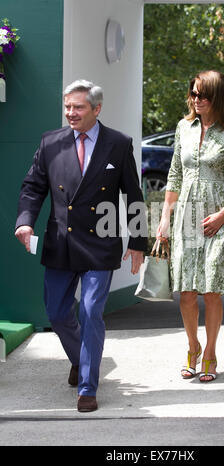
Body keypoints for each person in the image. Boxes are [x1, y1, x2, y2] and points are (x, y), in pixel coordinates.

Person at [15, 79, 147, 412]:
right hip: (60, 243)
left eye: (79, 107)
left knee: (90, 312)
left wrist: (138, 242)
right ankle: (79, 359)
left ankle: (88, 386)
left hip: (100, 244)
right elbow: (33, 186)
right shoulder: (51, 142)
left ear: (96, 109)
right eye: (68, 107)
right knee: (58, 314)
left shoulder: (118, 144)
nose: (71, 113)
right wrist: (25, 220)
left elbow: (132, 194)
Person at [157, 70, 224, 382]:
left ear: (218, 98)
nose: (196, 100)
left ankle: (210, 352)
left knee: (212, 290)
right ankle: (192, 346)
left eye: (203, 95)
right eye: (193, 93)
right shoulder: (183, 128)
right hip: (186, 214)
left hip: (218, 217)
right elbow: (174, 175)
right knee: (186, 292)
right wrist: (163, 220)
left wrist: (223, 215)